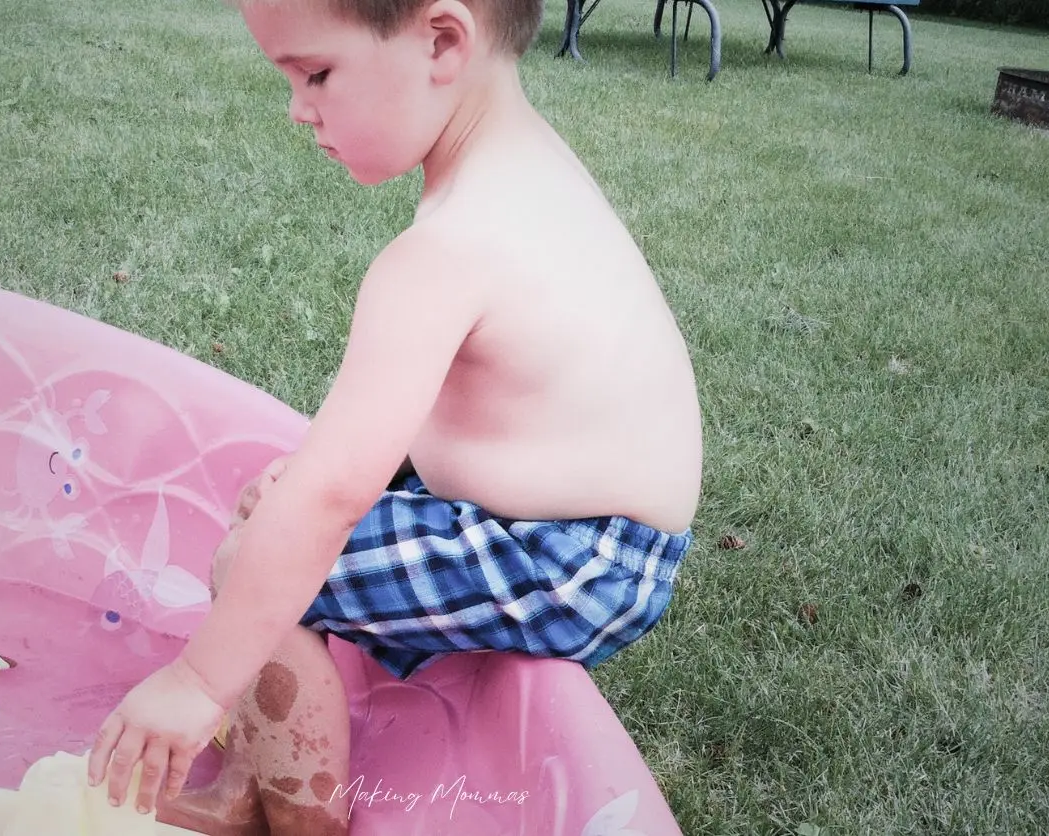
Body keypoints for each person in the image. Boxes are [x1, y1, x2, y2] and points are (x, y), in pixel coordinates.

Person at [86, 0, 703, 832]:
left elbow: (331, 500)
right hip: (587, 534)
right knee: (278, 526)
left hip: (567, 556)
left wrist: (197, 683)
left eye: (316, 74)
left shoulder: (447, 249)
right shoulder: (523, 174)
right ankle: (250, 780)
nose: (297, 108)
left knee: (258, 568)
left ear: (443, 42)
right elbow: (489, 393)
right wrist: (316, 481)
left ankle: (300, 816)